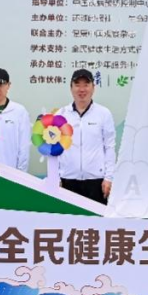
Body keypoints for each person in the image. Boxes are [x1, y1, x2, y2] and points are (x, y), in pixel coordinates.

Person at [55, 68, 116, 204]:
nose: (82, 89)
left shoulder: (103, 114)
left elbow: (109, 147)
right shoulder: (61, 114)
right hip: (67, 180)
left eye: (86, 84)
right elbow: (55, 148)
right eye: (77, 85)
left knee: (97, 218)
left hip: (96, 182)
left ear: (93, 87)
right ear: (71, 88)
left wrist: (109, 178)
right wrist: (55, 177)